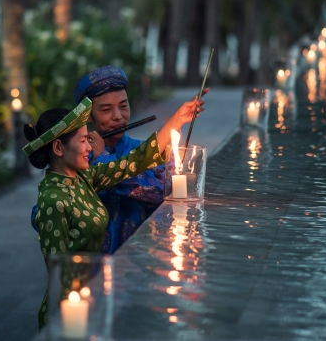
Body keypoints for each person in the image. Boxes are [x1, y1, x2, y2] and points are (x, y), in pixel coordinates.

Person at [24, 94, 205, 329]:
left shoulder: (84, 179)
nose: (91, 146)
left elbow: (134, 162)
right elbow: (60, 272)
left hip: (93, 295)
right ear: (58, 147)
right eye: (83, 141)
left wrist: (177, 119)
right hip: (70, 311)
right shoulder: (52, 199)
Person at [31, 65, 209, 254]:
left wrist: (176, 120)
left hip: (143, 261)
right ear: (88, 117)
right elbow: (45, 212)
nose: (118, 116)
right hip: (93, 270)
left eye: (123, 106)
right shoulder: (78, 160)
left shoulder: (145, 153)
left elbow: (161, 192)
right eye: (106, 109)